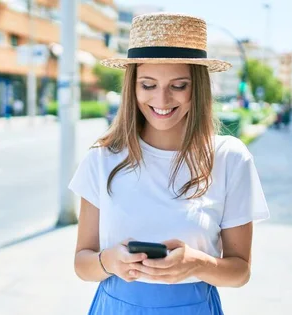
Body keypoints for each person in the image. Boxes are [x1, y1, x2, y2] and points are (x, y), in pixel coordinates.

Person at [69, 13, 270, 314]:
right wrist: (108, 261)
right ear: (132, 87)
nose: (161, 100)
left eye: (178, 85)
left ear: (197, 89)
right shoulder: (102, 158)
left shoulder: (230, 158)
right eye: (148, 85)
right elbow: (82, 264)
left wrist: (197, 263)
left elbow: (240, 271)